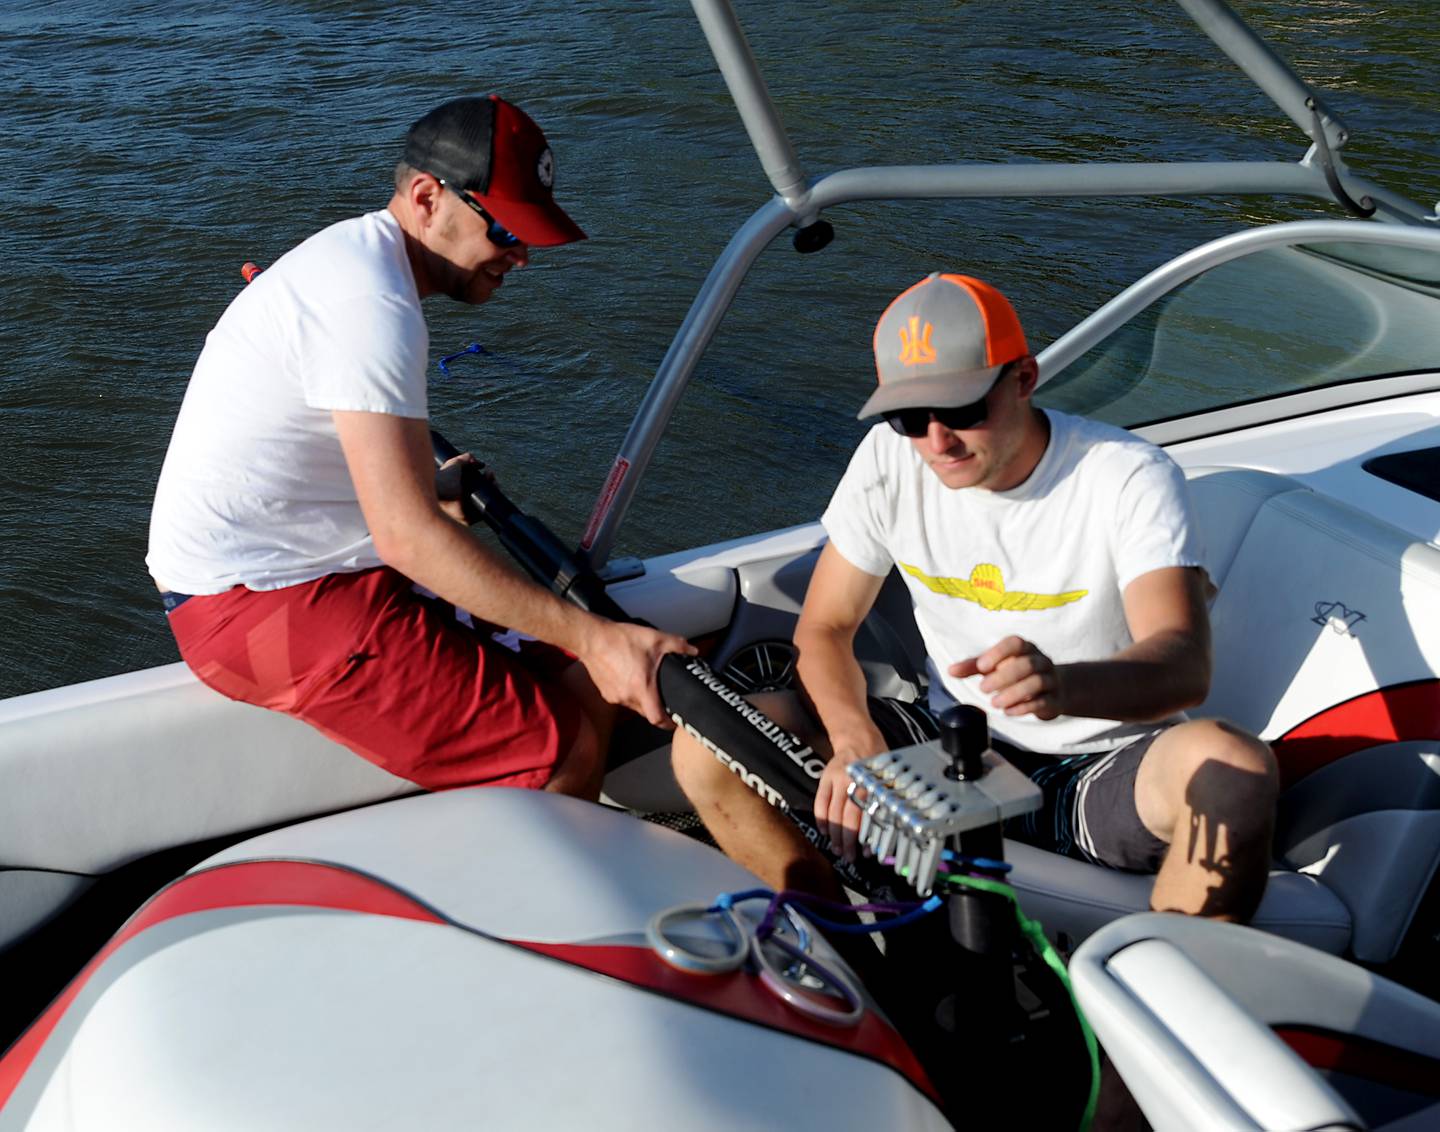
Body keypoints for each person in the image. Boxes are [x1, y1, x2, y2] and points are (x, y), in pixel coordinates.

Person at [671, 272, 1277, 920]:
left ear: (1023, 378)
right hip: (953, 742)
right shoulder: (889, 460)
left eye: (961, 410)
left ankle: (1163, 1000)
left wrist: (1063, 686)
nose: (937, 441)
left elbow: (1183, 663)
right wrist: (854, 740)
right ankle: (850, 948)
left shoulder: (1126, 477)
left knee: (1234, 768)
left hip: (1103, 762)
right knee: (704, 747)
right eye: (908, 416)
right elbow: (825, 626)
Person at [147, 95, 691, 800]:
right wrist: (599, 638)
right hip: (252, 603)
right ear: (427, 197)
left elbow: (357, 483)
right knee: (562, 750)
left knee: (577, 676)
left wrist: (432, 498)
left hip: (312, 562)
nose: (521, 256)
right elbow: (406, 539)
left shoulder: (358, 261)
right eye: (505, 229)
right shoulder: (369, 304)